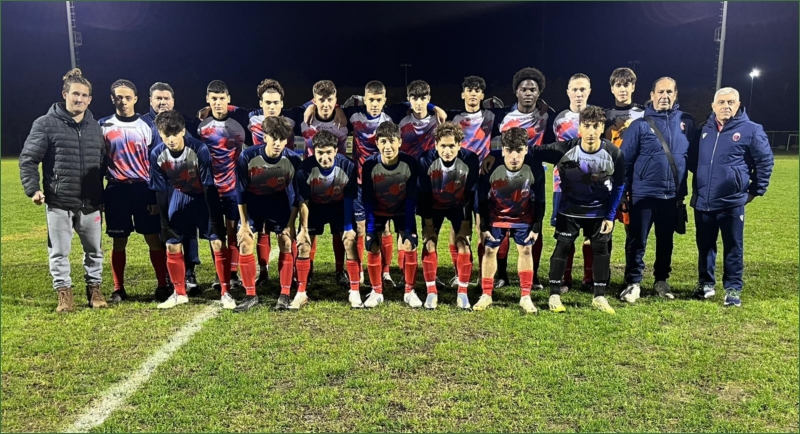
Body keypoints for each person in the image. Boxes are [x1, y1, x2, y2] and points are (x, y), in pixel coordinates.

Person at [19, 68, 107, 312]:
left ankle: (95, 290)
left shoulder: (95, 127)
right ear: (65, 94)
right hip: (59, 201)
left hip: (90, 202)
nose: (79, 99)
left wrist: (102, 194)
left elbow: (101, 163)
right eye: (75, 94)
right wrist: (33, 189)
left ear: (90, 99)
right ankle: (64, 294)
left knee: (95, 250)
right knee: (59, 252)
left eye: (84, 95)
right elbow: (28, 159)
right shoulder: (45, 124)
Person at [534, 106, 625, 314]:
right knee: (562, 247)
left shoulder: (614, 153)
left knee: (601, 250)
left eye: (596, 126)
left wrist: (610, 216)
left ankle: (599, 297)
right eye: (587, 126)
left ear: (602, 128)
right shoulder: (563, 149)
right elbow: (531, 152)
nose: (591, 131)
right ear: (579, 128)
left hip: (599, 212)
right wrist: (496, 156)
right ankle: (554, 295)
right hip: (569, 210)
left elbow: (619, 186)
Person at [688, 87, 774, 307]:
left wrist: (755, 190)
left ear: (738, 105)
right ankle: (706, 284)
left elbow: (765, 162)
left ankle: (733, 289)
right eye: (721, 102)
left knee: (733, 247)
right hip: (704, 200)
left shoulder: (751, 130)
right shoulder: (703, 129)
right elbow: (693, 161)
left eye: (730, 102)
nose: (726, 106)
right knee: (705, 246)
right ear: (713, 106)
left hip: (732, 202)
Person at [148, 110, 234, 309]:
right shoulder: (156, 154)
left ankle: (225, 292)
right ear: (160, 133)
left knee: (217, 242)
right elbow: (160, 191)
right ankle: (179, 293)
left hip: (202, 197)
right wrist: (164, 224)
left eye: (175, 133)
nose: (171, 139)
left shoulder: (199, 149)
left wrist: (214, 218)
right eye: (166, 134)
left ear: (183, 131)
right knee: (171, 244)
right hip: (179, 197)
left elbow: (208, 186)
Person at [98, 79, 170, 303]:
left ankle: (162, 285)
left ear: (136, 99)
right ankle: (118, 289)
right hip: (116, 190)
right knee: (119, 241)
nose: (123, 101)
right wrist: (100, 196)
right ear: (112, 99)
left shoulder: (147, 126)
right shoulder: (103, 125)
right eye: (119, 97)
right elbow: (99, 163)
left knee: (153, 239)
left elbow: (156, 163)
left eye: (128, 97)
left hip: (143, 189)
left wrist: (155, 195)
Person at [619, 77, 690, 303]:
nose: (664, 96)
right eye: (660, 92)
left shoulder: (686, 123)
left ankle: (661, 280)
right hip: (644, 194)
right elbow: (625, 161)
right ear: (652, 95)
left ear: (675, 95)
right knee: (637, 240)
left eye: (669, 92)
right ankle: (633, 282)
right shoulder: (640, 125)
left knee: (665, 240)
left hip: (672, 196)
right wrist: (623, 193)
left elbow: (694, 158)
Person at [233, 116, 303, 312]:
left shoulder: (293, 160)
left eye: (282, 139)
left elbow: (298, 196)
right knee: (245, 241)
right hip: (253, 204)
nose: (278, 143)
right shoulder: (247, 157)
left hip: (279, 203)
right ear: (265, 137)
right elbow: (241, 191)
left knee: (286, 241)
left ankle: (284, 294)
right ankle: (250, 295)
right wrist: (244, 224)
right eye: (274, 138)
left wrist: (291, 223)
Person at [140, 82, 201, 295]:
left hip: (183, 188)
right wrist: (151, 197)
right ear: (150, 100)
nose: (162, 102)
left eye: (166, 98)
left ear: (173, 101)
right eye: (158, 98)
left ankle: (190, 272)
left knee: (188, 230)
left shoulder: (182, 123)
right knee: (163, 231)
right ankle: (168, 275)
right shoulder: (143, 125)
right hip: (158, 188)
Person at [476, 127, 545, 314]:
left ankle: (525, 297)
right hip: (496, 216)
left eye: (519, 150)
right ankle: (486, 294)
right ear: (503, 150)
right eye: (509, 150)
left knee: (526, 250)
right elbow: (481, 198)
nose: (514, 156)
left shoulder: (535, 167)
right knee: (489, 250)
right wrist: (483, 225)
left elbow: (540, 200)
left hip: (523, 216)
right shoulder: (491, 166)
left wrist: (536, 226)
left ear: (526, 149)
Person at [295, 130, 360, 308]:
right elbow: (303, 201)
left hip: (339, 207)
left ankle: (354, 291)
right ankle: (301, 292)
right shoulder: (304, 169)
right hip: (315, 207)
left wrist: (348, 227)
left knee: (350, 242)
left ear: (336, 151)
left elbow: (349, 198)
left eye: (329, 152)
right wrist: (303, 229)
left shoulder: (348, 166)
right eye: (320, 153)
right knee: (303, 244)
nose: (324, 157)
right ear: (313, 151)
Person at [417, 122, 479, 309]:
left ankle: (462, 293)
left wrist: (466, 223)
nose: (447, 150)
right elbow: (424, 194)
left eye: (452, 145)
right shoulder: (425, 160)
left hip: (458, 206)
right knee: (429, 242)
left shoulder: (471, 159)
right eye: (443, 145)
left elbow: (470, 193)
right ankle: (431, 292)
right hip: (433, 205)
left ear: (459, 145)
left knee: (464, 243)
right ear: (436, 145)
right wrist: (428, 224)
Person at [361, 121, 419, 308]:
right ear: (377, 143)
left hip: (402, 210)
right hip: (378, 210)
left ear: (400, 142)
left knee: (409, 243)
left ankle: (409, 291)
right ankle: (376, 291)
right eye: (383, 142)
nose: (388, 146)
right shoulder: (370, 165)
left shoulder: (409, 163)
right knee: (372, 245)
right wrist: (371, 227)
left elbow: (411, 196)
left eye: (392, 141)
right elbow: (368, 198)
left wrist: (408, 227)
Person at [198, 80, 249, 292]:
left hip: (233, 188)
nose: (218, 102)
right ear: (207, 100)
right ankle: (221, 274)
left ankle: (233, 273)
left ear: (228, 99)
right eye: (214, 99)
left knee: (232, 230)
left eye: (221, 98)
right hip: (210, 188)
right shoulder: (200, 126)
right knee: (216, 234)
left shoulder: (239, 123)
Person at [551, 73, 593, 294]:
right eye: (575, 89)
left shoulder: (597, 117)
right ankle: (565, 279)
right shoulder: (559, 119)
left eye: (582, 89)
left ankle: (589, 278)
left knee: (591, 235)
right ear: (568, 92)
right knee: (565, 235)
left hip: (592, 187)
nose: (578, 93)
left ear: (589, 91)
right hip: (563, 187)